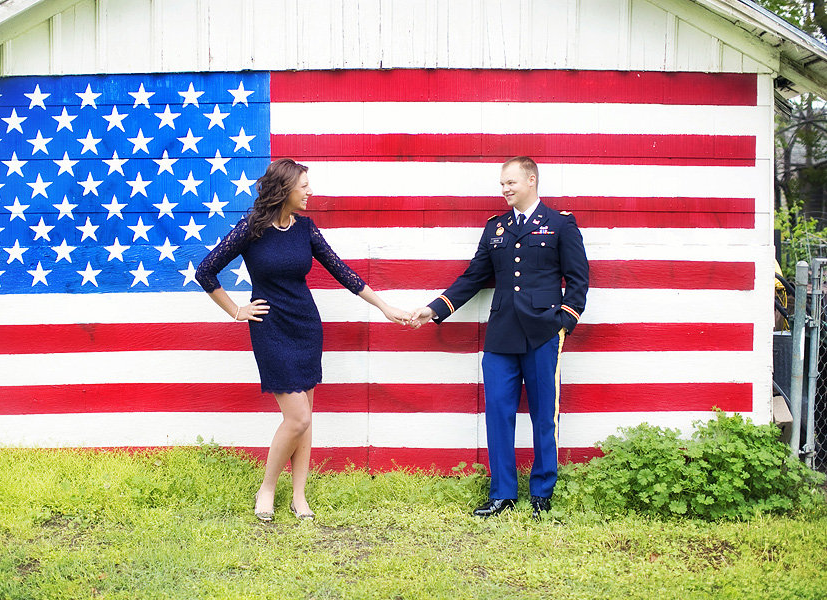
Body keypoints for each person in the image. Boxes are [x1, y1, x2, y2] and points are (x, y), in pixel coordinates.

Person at [196, 158, 408, 522]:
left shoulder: (306, 229)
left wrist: (385, 307)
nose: (310, 192)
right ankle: (267, 489)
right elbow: (206, 269)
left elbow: (343, 272)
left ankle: (298, 496)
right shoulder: (251, 229)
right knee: (296, 418)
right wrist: (235, 310)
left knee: (306, 418)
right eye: (304, 185)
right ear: (285, 189)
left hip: (306, 327)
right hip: (271, 329)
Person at [408, 156, 589, 519]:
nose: (505, 189)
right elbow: (474, 277)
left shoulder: (560, 224)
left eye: (511, 182)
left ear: (532, 180)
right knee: (499, 414)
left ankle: (542, 492)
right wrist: (436, 308)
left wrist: (564, 321)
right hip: (502, 333)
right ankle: (503, 493)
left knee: (543, 415)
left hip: (542, 331)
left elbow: (579, 278)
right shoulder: (496, 227)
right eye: (502, 183)